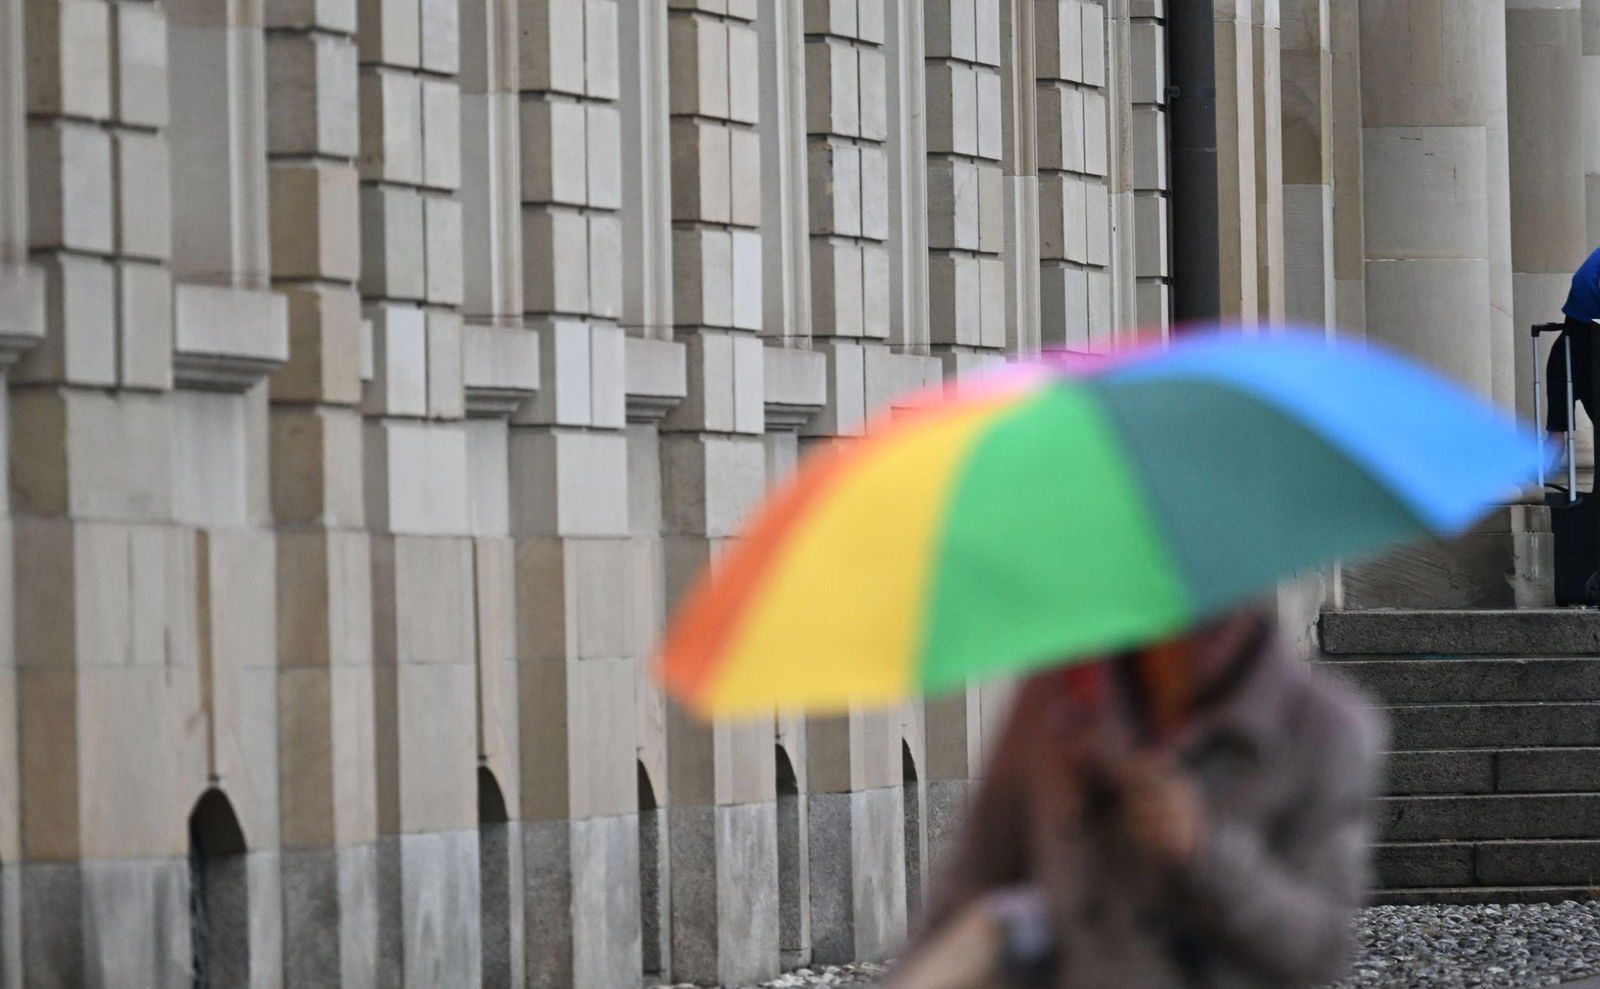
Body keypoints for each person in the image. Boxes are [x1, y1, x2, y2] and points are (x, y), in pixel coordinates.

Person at [888, 609, 1385, 989]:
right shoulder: (1058, 700)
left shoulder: (1326, 729)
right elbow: (971, 885)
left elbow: (1319, 949)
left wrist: (1204, 849)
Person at [1546, 246, 1600, 439]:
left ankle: (1557, 435)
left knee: (1566, 372)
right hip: (1585, 322)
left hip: (1584, 322)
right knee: (1566, 372)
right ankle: (1557, 434)